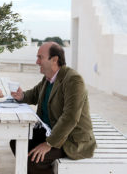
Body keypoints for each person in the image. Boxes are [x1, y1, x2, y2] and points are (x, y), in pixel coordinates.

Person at [10, 42, 96, 174]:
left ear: (54, 59)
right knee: (16, 142)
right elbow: (34, 94)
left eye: (40, 57)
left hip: (70, 139)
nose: (37, 62)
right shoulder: (48, 78)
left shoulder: (73, 80)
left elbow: (70, 117)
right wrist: (21, 96)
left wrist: (48, 144)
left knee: (34, 161)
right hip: (50, 131)